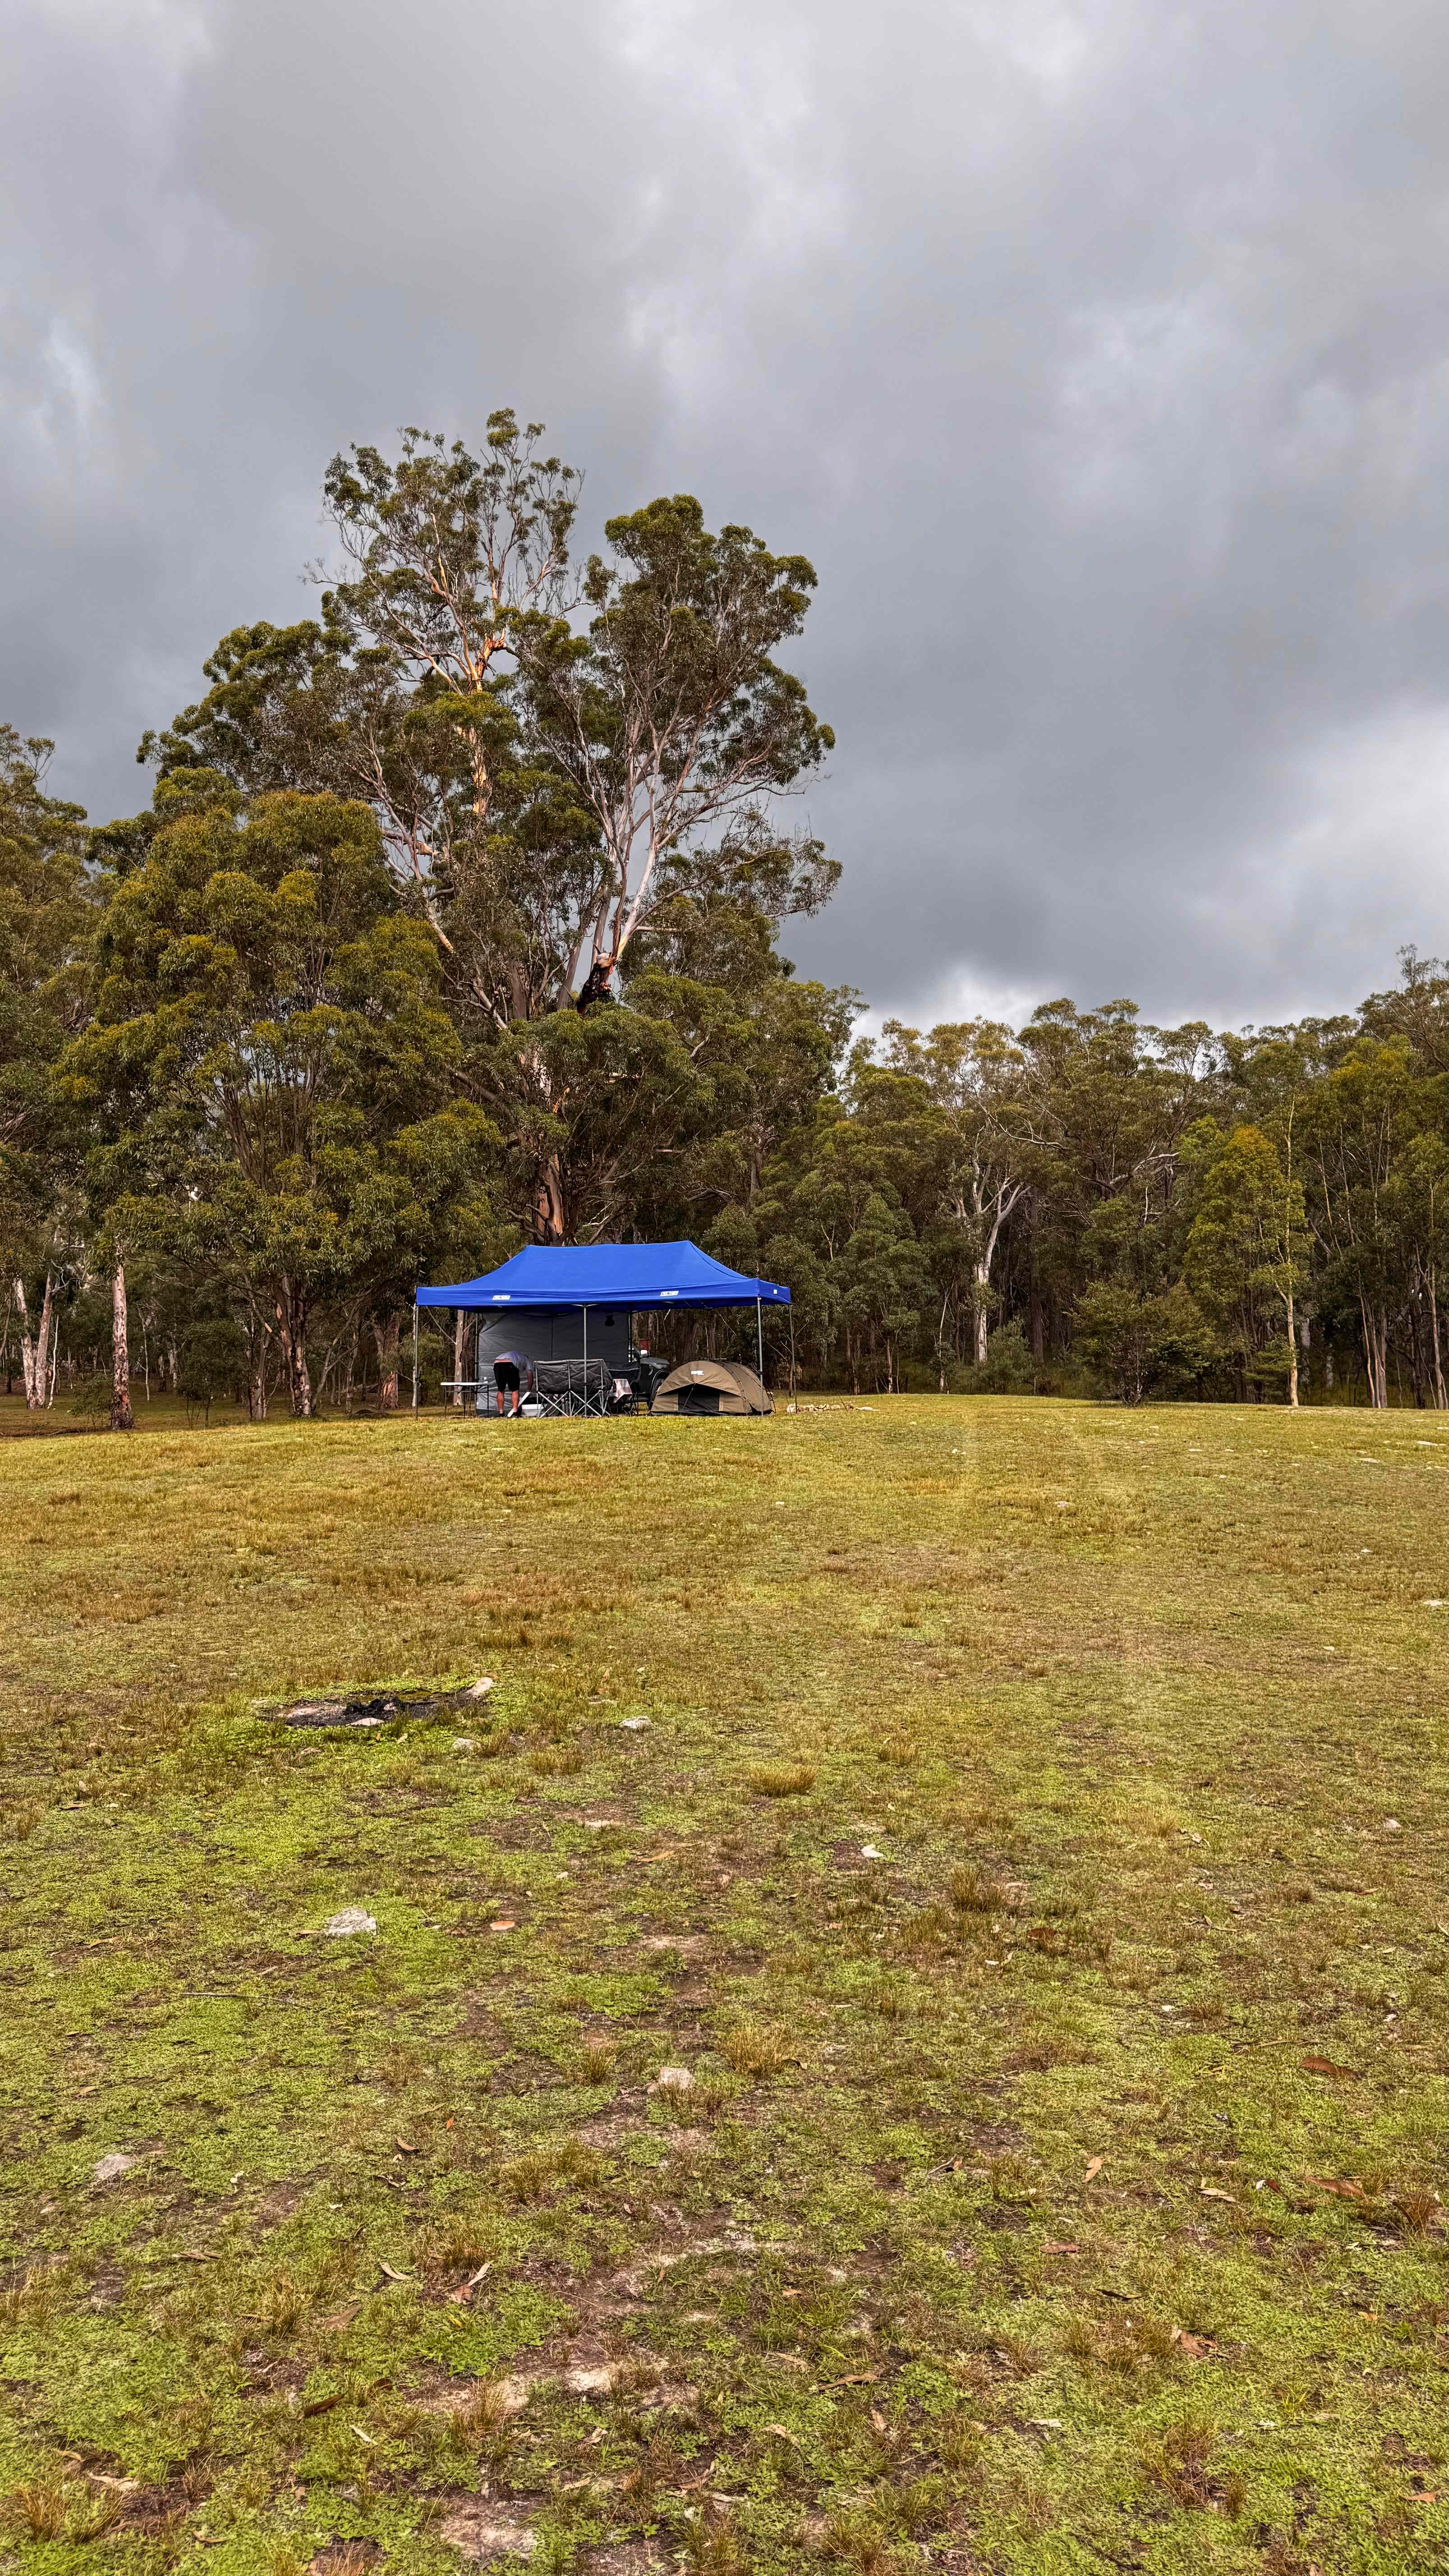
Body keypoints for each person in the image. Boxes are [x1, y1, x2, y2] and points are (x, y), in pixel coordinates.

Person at [492, 1350, 529, 1416]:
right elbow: (530, 1376)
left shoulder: (518, 1356)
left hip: (497, 1364)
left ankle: (501, 1413)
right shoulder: (527, 1360)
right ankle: (515, 1412)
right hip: (510, 1363)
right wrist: (529, 1390)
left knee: (501, 1390)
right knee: (515, 1390)